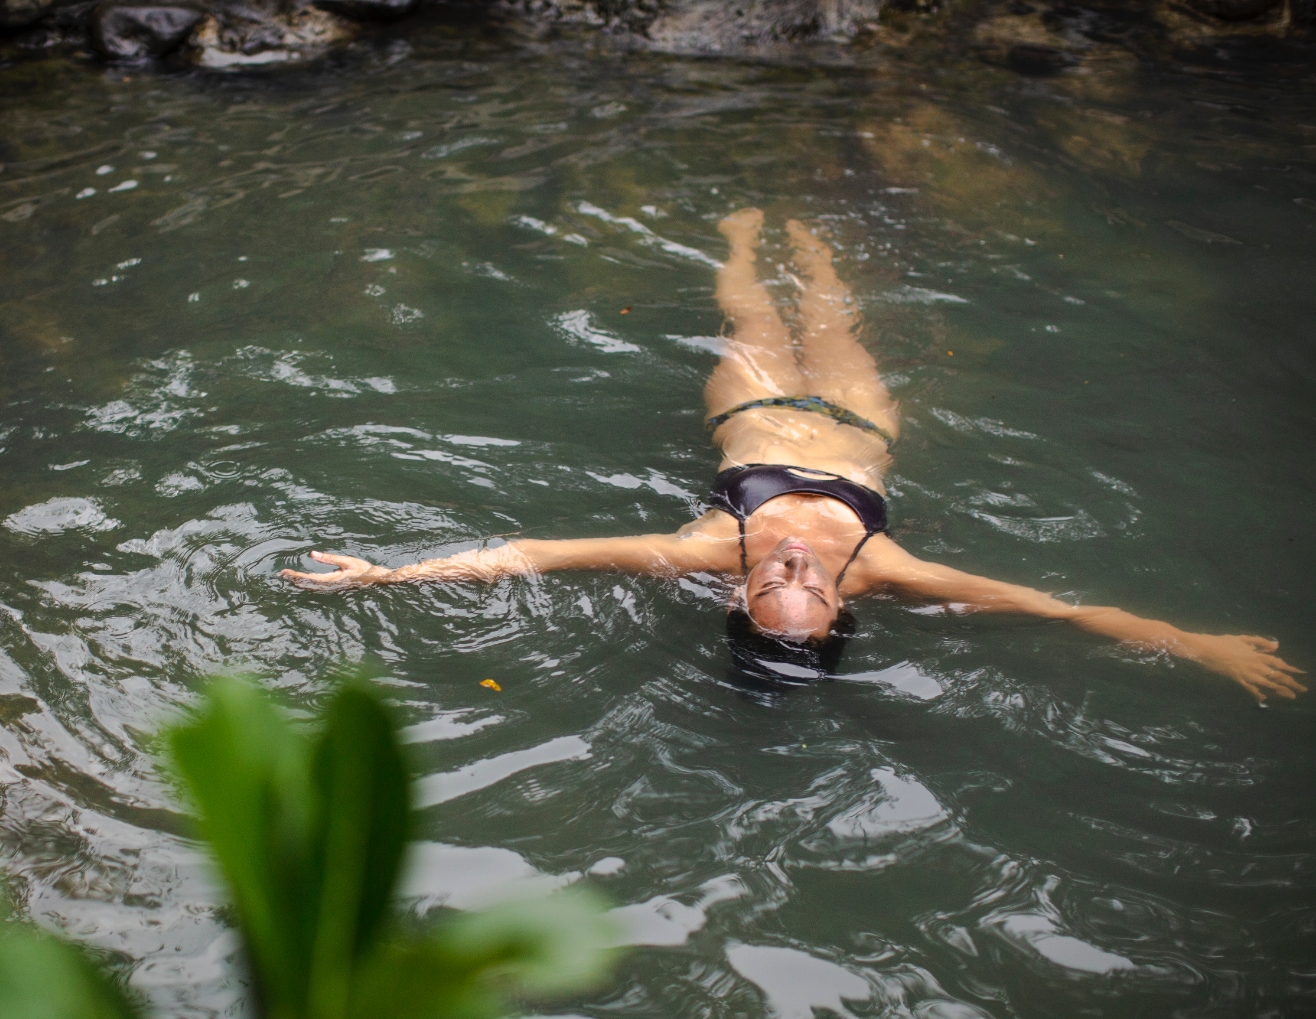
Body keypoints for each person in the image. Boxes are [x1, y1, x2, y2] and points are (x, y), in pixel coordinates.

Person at [282, 209, 1304, 702]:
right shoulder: (889, 571)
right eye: (804, 583)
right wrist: (1198, 644)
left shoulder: (704, 556)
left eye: (779, 581)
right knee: (832, 310)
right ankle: (808, 246)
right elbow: (1062, 612)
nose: (792, 568)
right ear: (843, 605)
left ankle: (742, 242)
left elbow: (533, 555)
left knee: (749, 307)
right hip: (859, 423)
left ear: (739, 599)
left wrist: (391, 572)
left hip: (758, 409)